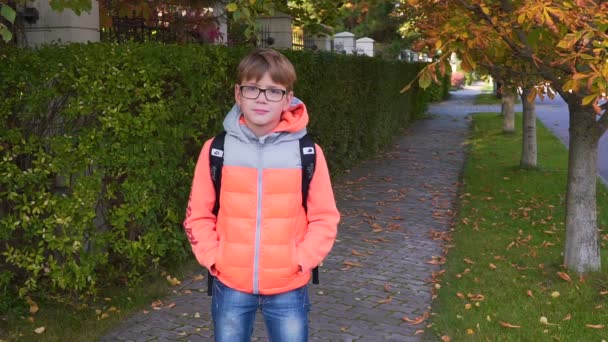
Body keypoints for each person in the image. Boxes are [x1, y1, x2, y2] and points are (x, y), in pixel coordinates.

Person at [183, 48, 340, 341]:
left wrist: (302, 259)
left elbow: (324, 217)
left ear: (288, 98)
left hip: (288, 285)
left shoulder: (307, 152)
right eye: (252, 88)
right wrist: (215, 257)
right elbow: (198, 215)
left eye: (273, 91)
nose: (261, 99)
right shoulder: (217, 150)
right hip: (230, 284)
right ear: (237, 93)